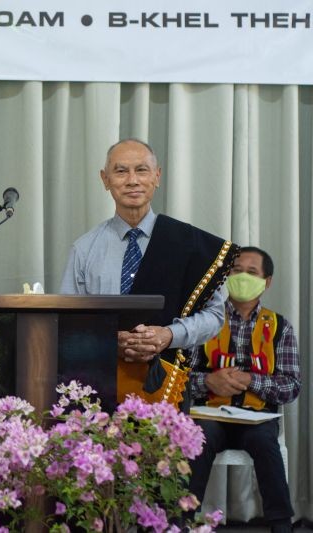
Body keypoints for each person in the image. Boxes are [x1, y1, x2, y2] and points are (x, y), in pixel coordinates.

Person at [59, 139, 239, 407]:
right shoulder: (85, 249)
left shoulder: (188, 244)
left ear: (157, 176)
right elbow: (67, 322)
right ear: (105, 179)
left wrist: (169, 335)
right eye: (121, 171)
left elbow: (214, 316)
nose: (132, 180)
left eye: (141, 170)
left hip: (168, 384)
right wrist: (109, 339)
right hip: (100, 386)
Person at [187, 247, 300, 533]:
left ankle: (281, 524)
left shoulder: (280, 327)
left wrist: (251, 381)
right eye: (236, 271)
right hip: (210, 415)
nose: (242, 277)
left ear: (267, 281)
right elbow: (180, 376)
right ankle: (180, 520)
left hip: (257, 418)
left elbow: (291, 386)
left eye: (251, 273)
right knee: (199, 436)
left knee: (265, 441)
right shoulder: (204, 321)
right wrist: (208, 381)